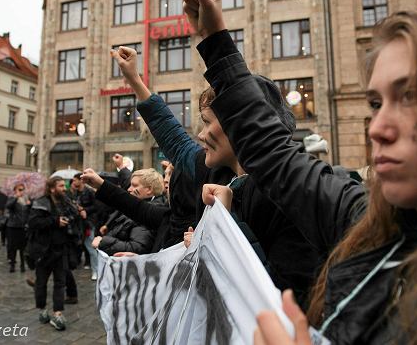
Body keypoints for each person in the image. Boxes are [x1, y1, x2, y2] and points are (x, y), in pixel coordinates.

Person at [184, 0, 417, 344]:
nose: (377, 128)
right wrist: (215, 42)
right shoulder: (367, 221)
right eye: (375, 103)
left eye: (411, 96)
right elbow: (275, 158)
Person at [110, 46, 323, 304]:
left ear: (242, 126)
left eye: (208, 122)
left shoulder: (290, 195)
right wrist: (134, 79)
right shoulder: (216, 170)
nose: (200, 135)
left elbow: (284, 300)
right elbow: (174, 140)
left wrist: (219, 239)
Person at [27, 177, 80, 331]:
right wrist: (55, 221)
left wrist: (76, 213)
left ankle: (58, 313)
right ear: (52, 188)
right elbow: (34, 223)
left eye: (65, 186)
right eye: (61, 186)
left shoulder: (65, 201)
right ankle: (42, 309)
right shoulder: (41, 202)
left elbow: (73, 216)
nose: (64, 188)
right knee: (41, 283)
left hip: (61, 249)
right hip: (43, 250)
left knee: (60, 283)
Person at [82, 167, 170, 255]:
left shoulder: (149, 214)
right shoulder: (141, 207)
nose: (129, 189)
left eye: (134, 185)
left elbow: (138, 248)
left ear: (149, 190)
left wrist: (103, 242)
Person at [68, 173, 98, 280]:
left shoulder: (89, 192)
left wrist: (85, 210)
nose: (73, 182)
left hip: (89, 223)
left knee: (92, 248)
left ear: (80, 180)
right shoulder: (75, 193)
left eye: (75, 180)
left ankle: (96, 271)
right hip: (79, 224)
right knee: (85, 246)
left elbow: (96, 206)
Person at [5, 185, 31, 273]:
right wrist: (16, 197)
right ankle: (12, 265)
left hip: (23, 227)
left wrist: (29, 204)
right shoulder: (12, 198)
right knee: (13, 247)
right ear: (15, 190)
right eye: (20, 189)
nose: (22, 191)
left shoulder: (26, 199)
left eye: (23, 189)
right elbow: (8, 206)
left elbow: (29, 212)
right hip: (13, 226)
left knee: (23, 247)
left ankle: (22, 265)